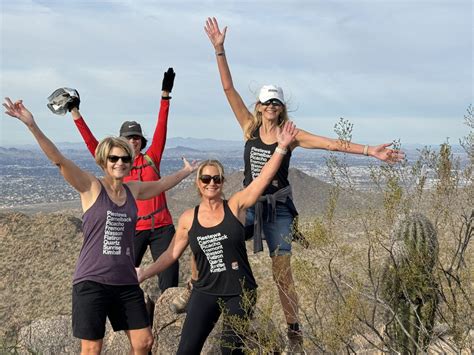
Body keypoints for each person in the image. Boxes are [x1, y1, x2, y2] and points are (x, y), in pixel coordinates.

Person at [204, 17, 406, 353]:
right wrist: (220, 50)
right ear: (258, 107)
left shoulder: (292, 137)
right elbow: (228, 89)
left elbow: (331, 144)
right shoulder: (248, 128)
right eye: (266, 102)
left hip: (279, 207)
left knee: (282, 273)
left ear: (282, 108)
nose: (270, 106)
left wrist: (372, 151)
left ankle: (294, 331)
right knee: (218, 239)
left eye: (276, 103)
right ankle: (212, 298)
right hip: (249, 203)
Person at [3, 97, 197, 355]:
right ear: (104, 161)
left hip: (125, 281)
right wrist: (31, 124)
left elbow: (161, 185)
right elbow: (59, 160)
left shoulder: (132, 190)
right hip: (92, 280)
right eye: (114, 159)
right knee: (92, 348)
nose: (119, 163)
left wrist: (185, 172)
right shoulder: (91, 187)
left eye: (125, 159)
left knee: (143, 342)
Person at [137, 121, 298, 354]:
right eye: (206, 179)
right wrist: (144, 273)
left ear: (222, 182)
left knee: (229, 350)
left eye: (216, 179)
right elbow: (171, 254)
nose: (211, 183)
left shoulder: (235, 206)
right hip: (205, 289)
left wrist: (281, 147)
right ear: (198, 184)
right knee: (186, 350)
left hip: (240, 291)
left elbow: (262, 180)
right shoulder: (188, 218)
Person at [68, 68, 180, 295]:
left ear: (142, 140)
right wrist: (75, 113)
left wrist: (165, 95)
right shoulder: (115, 163)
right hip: (134, 228)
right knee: (124, 278)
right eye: (129, 138)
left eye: (137, 137)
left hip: (162, 227)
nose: (133, 141)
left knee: (169, 280)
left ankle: (168, 321)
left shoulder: (152, 158)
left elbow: (162, 126)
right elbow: (92, 143)